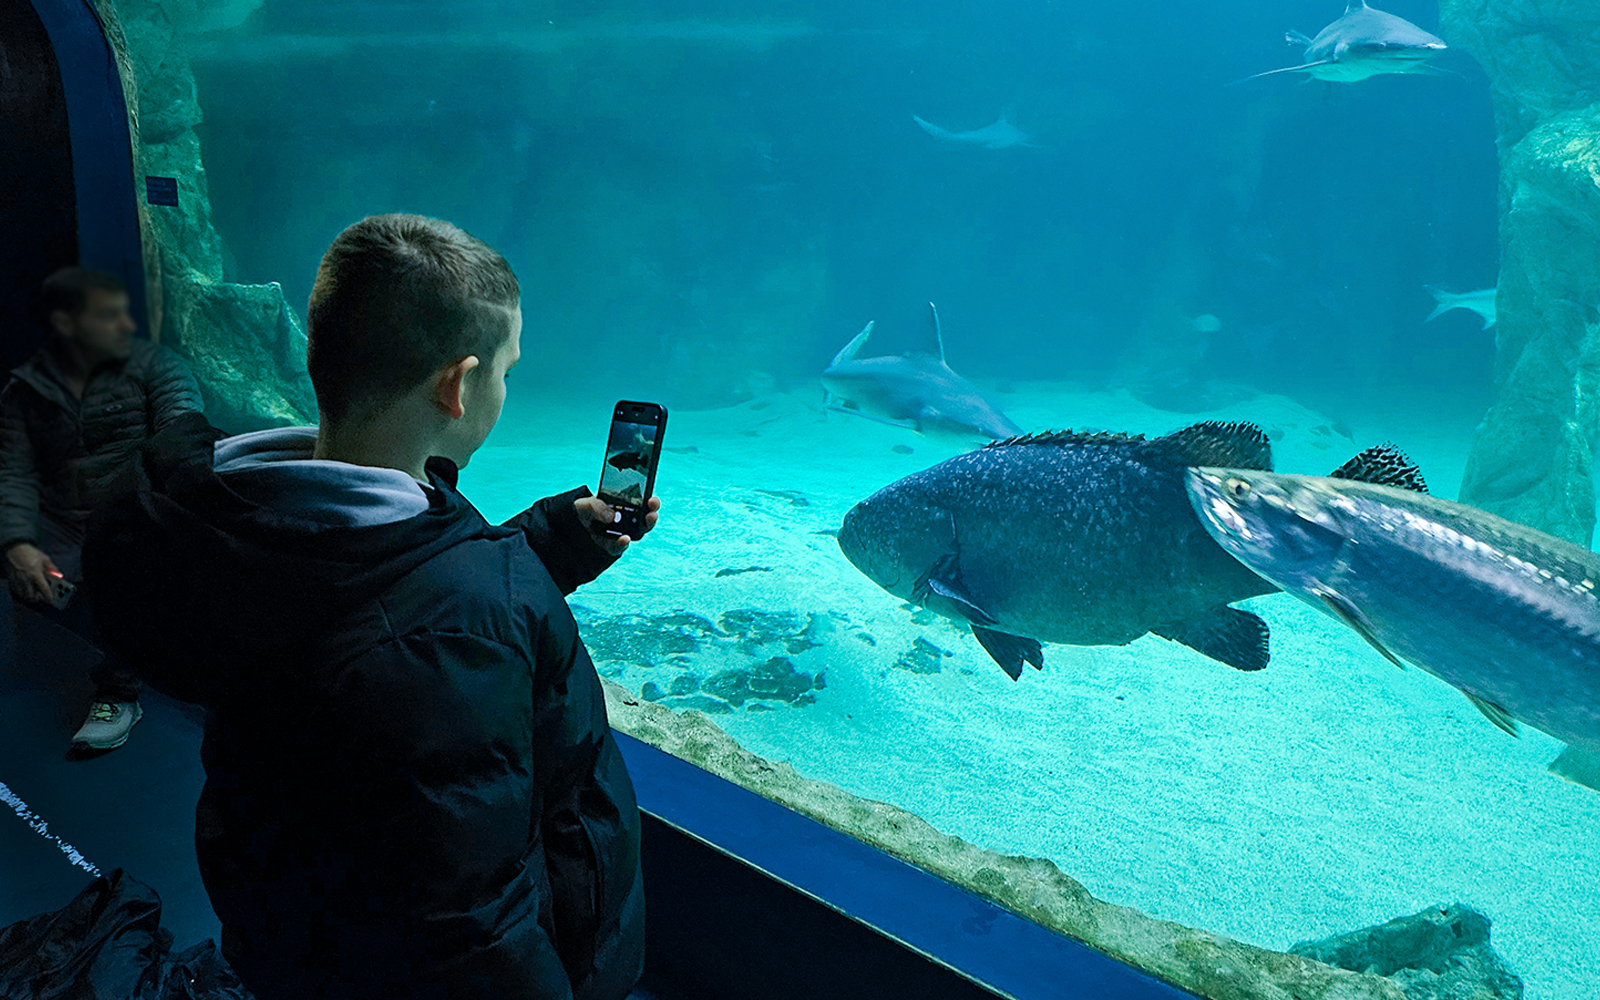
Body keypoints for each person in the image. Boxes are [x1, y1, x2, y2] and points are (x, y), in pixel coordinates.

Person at [83, 214, 654, 1000]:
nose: (506, 389)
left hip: (288, 935)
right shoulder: (460, 632)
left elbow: (376, 595)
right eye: (507, 371)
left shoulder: (215, 524)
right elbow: (470, 926)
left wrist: (553, 543)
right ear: (457, 385)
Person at [0, 266, 205, 752]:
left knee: (126, 572)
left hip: (137, 515)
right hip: (63, 524)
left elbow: (183, 442)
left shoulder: (158, 367)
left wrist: (143, 509)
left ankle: (119, 693)